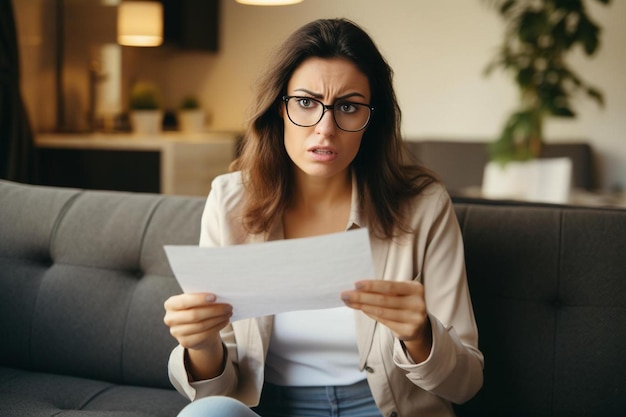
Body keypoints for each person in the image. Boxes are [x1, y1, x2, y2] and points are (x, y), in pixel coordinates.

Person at [163, 18, 484, 417]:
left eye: (348, 107)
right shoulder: (229, 201)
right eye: (306, 102)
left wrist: (420, 335)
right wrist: (201, 344)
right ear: (278, 109)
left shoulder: (424, 206)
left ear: (372, 119)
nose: (325, 128)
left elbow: (466, 383)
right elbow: (219, 390)